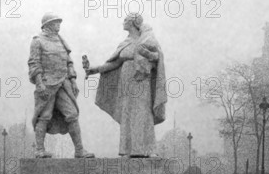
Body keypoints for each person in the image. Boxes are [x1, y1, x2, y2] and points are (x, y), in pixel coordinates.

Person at [87, 13, 167, 157]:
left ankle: (148, 150)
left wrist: (147, 55)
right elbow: (114, 63)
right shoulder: (125, 43)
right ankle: (128, 150)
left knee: (143, 111)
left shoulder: (147, 39)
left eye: (126, 20)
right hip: (126, 81)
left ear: (133, 22)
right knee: (128, 112)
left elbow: (157, 58)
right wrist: (94, 69)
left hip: (141, 79)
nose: (123, 22)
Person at [28, 13, 94, 158]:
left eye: (59, 22)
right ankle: (40, 150)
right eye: (56, 22)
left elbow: (68, 62)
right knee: (44, 116)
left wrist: (73, 80)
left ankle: (79, 150)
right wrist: (39, 83)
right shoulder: (37, 41)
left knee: (72, 114)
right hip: (46, 84)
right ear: (48, 25)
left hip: (64, 83)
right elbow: (34, 63)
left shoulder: (61, 41)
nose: (59, 25)